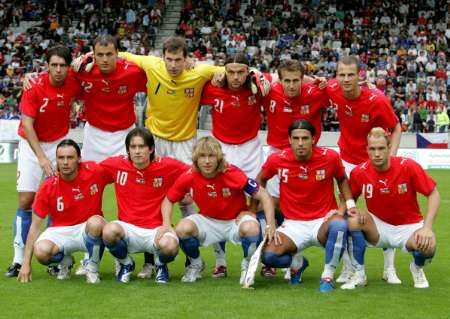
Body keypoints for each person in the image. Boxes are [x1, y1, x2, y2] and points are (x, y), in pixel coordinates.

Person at [326, 55, 402, 284]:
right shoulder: (332, 89)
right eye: (342, 74)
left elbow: (396, 126)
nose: (346, 79)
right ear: (336, 75)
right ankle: (349, 268)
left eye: (351, 74)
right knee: (347, 213)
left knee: (387, 213)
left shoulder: (376, 100)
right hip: (347, 162)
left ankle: (389, 268)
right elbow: (310, 80)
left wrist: (391, 157)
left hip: (374, 162)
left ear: (360, 75)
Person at [6, 45, 81, 277]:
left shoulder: (74, 82)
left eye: (63, 65)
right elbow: (27, 124)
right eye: (54, 65)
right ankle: (18, 259)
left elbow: (92, 72)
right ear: (47, 66)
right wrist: (41, 158)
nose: (58, 70)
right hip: (31, 144)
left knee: (57, 199)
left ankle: (54, 255)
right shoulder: (34, 86)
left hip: (58, 143)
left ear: (69, 67)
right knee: (27, 199)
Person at [256, 119, 356, 293]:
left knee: (340, 224)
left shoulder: (330, 157)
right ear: (289, 139)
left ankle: (328, 274)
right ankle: (298, 263)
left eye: (305, 138)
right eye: (296, 138)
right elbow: (260, 180)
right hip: (293, 224)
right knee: (268, 256)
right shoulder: (277, 159)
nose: (300, 143)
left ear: (314, 139)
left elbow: (342, 179)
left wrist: (349, 205)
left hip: (322, 222)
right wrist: (258, 207)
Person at [161, 136, 277, 284]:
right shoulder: (189, 176)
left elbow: (264, 195)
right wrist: (166, 224)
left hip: (235, 220)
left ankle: (247, 266)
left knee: (252, 228)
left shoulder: (232, 173)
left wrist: (270, 224)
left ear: (219, 157)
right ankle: (196, 264)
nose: (207, 161)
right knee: (182, 228)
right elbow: (168, 200)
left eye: (211, 156)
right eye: (202, 156)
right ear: (196, 158)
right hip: (208, 220)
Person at [344, 127, 440, 289]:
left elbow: (433, 194)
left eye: (381, 148)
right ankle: (359, 274)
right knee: (352, 220)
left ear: (389, 148)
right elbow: (348, 196)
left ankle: (416, 268)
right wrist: (352, 207)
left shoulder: (408, 166)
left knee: (429, 247)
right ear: (367, 150)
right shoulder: (359, 172)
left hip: (409, 227)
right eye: (372, 149)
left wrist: (427, 228)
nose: (377, 153)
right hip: (378, 227)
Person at [199, 53, 266, 277]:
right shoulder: (212, 88)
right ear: (224, 71)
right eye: (231, 72)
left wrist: (258, 74)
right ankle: (220, 260)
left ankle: (256, 258)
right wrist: (211, 72)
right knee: (216, 202)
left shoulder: (257, 87)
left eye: (241, 72)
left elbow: (283, 76)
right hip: (221, 149)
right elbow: (191, 76)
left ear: (248, 72)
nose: (236, 77)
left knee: (258, 198)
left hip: (251, 148)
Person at [100, 127, 188, 283]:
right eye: (133, 147)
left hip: (156, 230)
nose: (137, 151)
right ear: (128, 150)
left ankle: (160, 264)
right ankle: (126, 263)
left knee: (171, 246)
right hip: (128, 230)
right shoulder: (116, 165)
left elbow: (194, 172)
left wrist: (188, 192)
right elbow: (89, 174)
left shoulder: (167, 166)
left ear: (151, 148)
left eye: (141, 147)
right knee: (108, 231)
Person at [17, 139, 107, 284]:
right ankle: (65, 261)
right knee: (41, 251)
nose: (65, 162)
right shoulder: (48, 186)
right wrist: (26, 263)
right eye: (61, 158)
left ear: (79, 159)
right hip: (60, 231)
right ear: (56, 160)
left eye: (70, 158)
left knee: (97, 222)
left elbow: (120, 173)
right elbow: (35, 226)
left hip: (87, 229)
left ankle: (92, 268)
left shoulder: (95, 171)